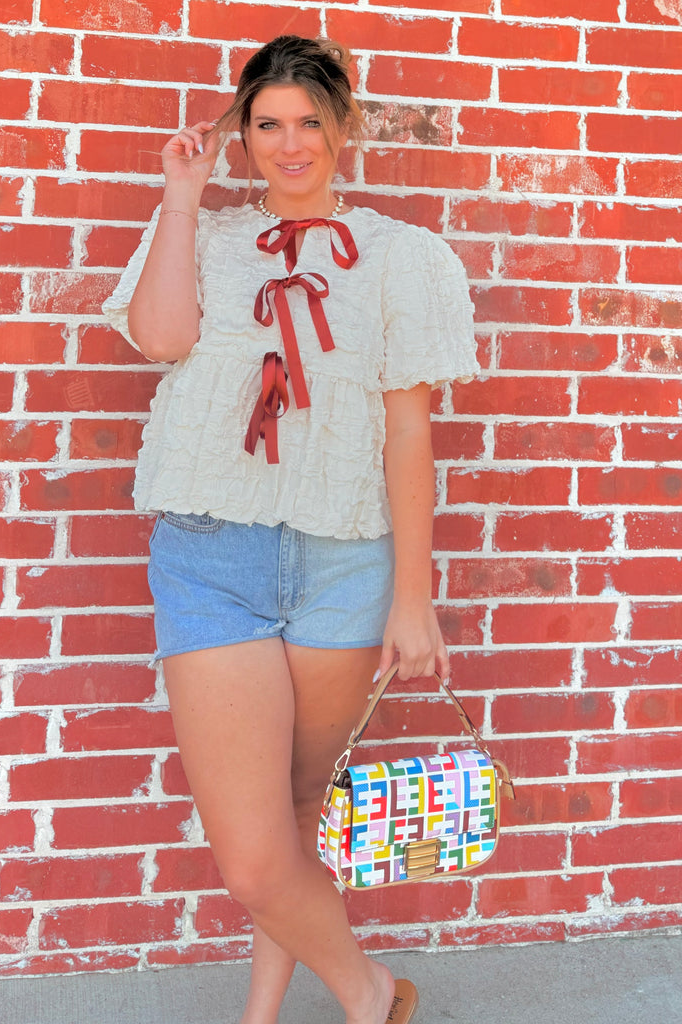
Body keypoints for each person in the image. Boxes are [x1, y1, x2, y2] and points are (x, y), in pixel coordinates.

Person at [103, 34, 477, 1024]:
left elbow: (408, 429)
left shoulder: (402, 256)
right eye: (266, 123)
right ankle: (368, 991)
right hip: (210, 554)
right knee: (256, 853)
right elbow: (163, 337)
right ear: (243, 133)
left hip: (341, 561)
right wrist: (181, 196)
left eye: (309, 120)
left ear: (345, 127)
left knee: (298, 813)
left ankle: (260, 1014)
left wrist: (412, 600)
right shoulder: (209, 235)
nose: (289, 142)